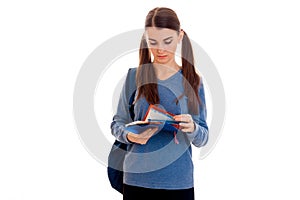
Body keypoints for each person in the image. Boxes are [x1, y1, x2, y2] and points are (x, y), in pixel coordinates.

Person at [110, 7, 209, 200]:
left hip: (178, 182)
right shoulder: (133, 77)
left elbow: (203, 138)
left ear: (180, 36)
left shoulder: (193, 81)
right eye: (153, 42)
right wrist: (130, 135)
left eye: (167, 41)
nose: (160, 49)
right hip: (136, 181)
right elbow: (117, 124)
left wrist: (192, 127)